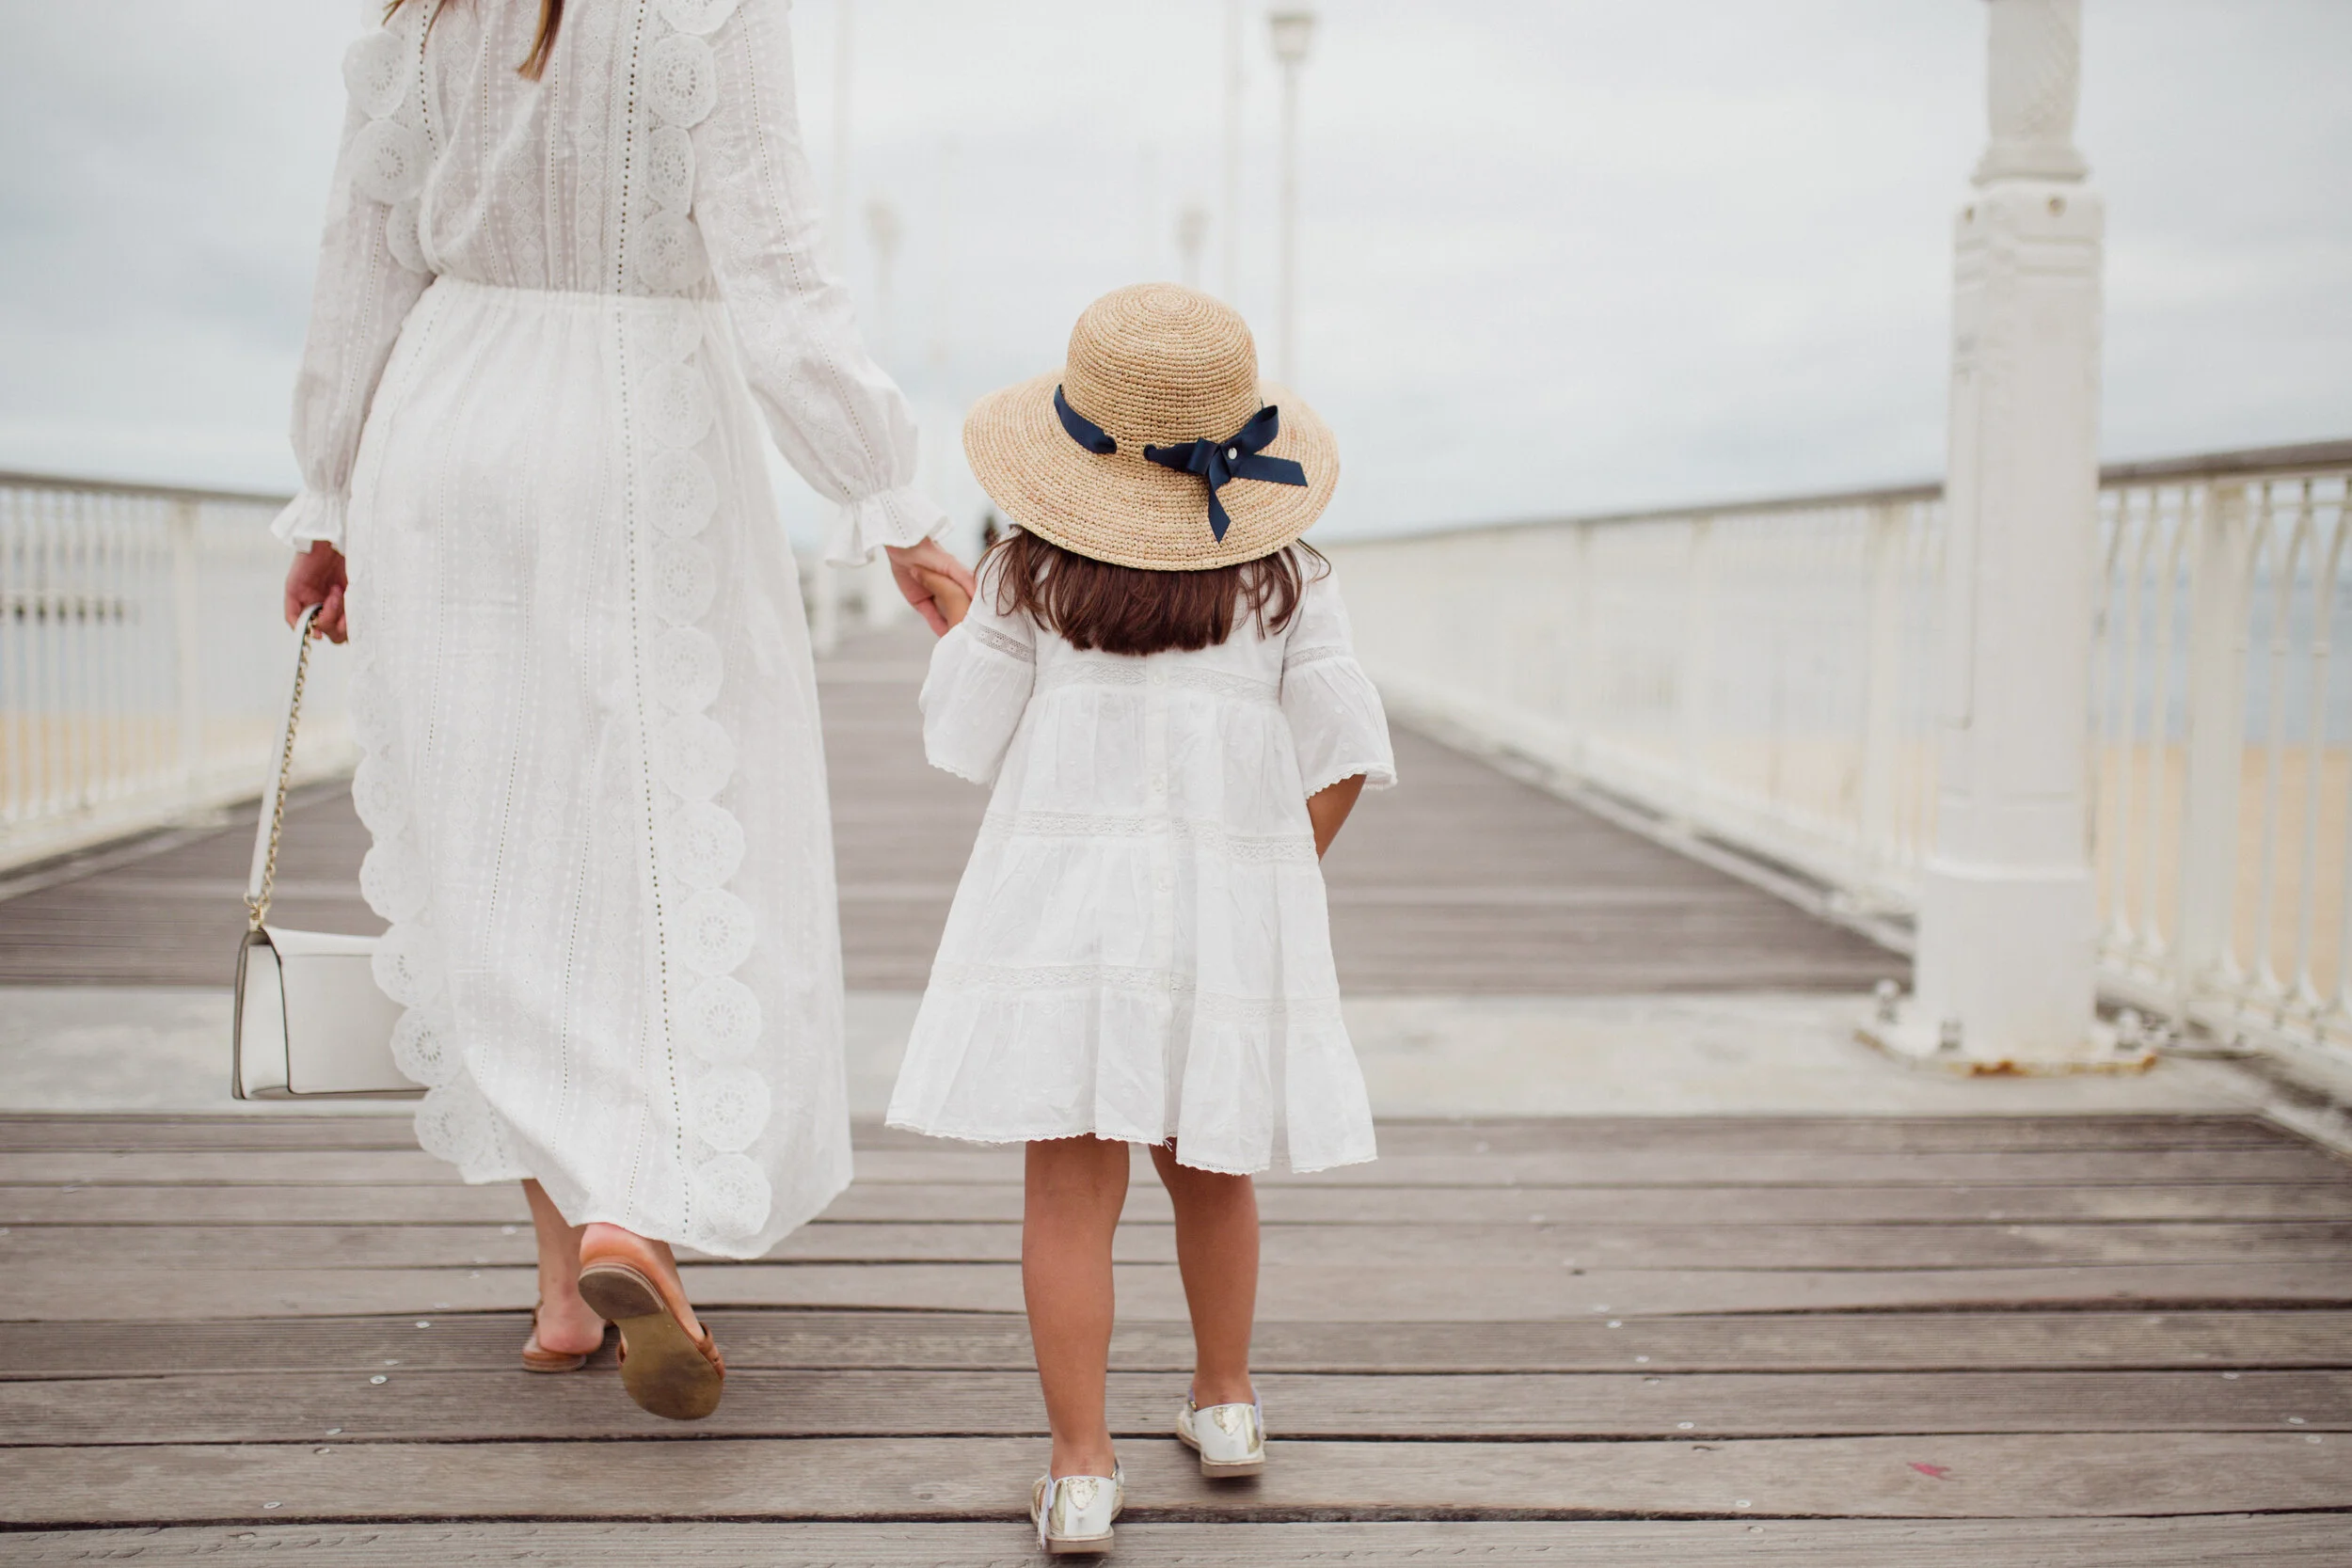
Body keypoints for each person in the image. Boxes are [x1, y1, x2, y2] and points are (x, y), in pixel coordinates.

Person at [275, 0, 972, 1420]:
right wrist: (888, 493)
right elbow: (775, 271)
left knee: (502, 858)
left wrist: (329, 493)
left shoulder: (423, 13)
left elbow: (361, 257)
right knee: (659, 839)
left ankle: (558, 1287)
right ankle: (632, 1213)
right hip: (639, 427)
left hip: (443, 429)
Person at [887, 283, 1396, 1553]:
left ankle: (1080, 1467)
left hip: (1062, 917)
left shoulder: (1026, 572)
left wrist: (966, 624)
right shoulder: (1288, 580)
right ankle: (1225, 1404)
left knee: (1067, 1192)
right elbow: (1344, 749)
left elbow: (965, 734)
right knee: (1212, 1166)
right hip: (1212, 917)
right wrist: (1271, 871)